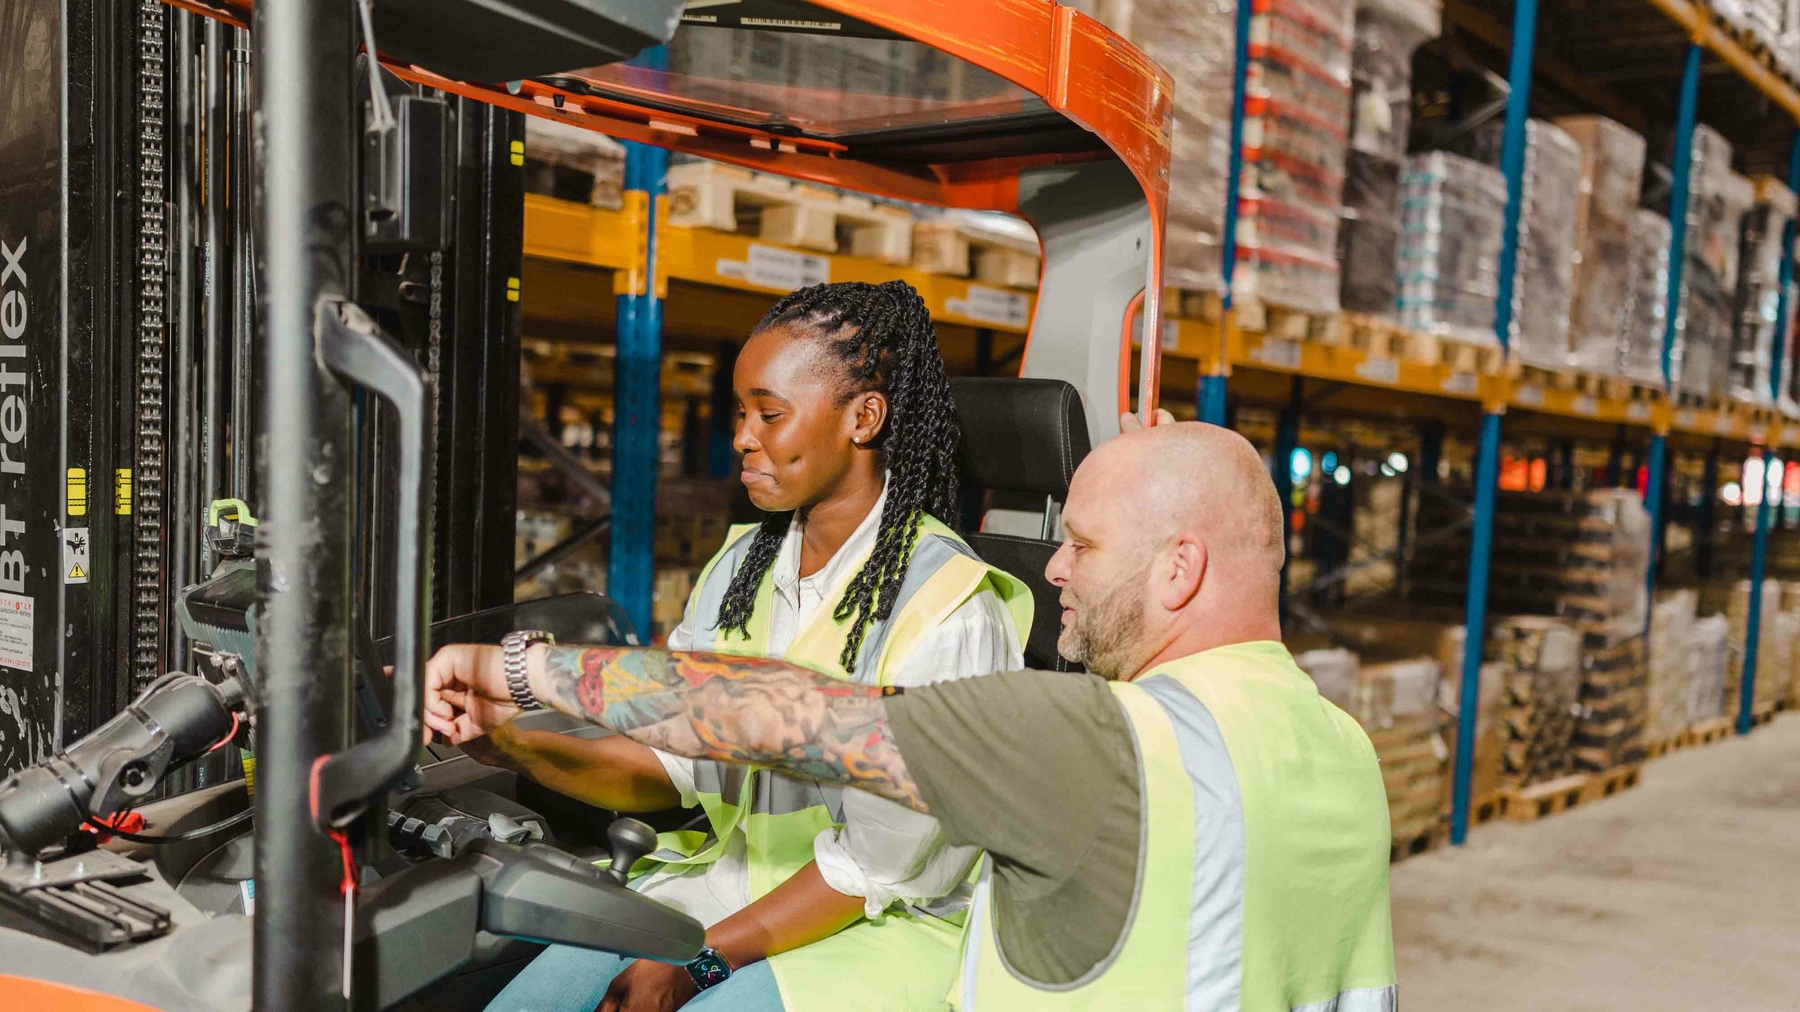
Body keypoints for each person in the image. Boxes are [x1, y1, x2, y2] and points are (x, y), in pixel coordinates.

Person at [430, 417, 1397, 1011]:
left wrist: (520, 667)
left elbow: (777, 717)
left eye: (1088, 546)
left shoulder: (1097, 746)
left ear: (1179, 569)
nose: (1055, 569)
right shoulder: (1341, 748)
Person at [481, 280, 1032, 1011]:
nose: (741, 436)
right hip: (729, 886)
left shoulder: (949, 609)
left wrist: (697, 966)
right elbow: (675, 769)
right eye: (742, 412)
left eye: (769, 414)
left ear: (863, 418)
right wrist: (511, 744)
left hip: (882, 928)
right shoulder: (742, 569)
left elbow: (879, 867)